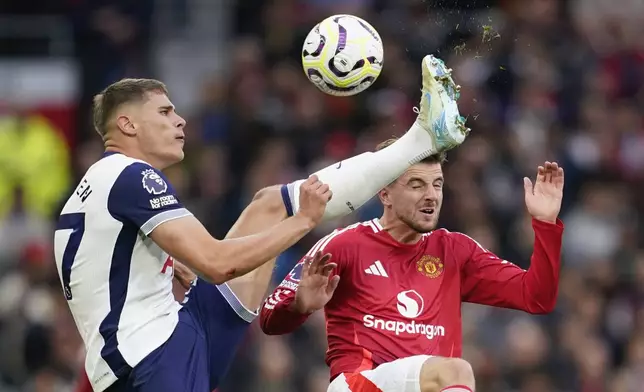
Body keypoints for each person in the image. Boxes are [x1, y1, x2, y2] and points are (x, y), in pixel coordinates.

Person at [58, 54, 469, 392]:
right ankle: (422, 139)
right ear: (127, 125)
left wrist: (165, 264)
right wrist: (303, 222)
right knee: (282, 215)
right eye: (165, 112)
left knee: (269, 204)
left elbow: (109, 268)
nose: (179, 121)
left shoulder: (96, 186)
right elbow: (217, 264)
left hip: (167, 334)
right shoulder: (130, 174)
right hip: (152, 358)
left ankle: (420, 139)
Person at [259, 139, 565, 392]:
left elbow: (536, 296)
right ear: (385, 193)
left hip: (426, 385)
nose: (431, 195)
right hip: (357, 383)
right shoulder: (344, 245)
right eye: (417, 185)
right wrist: (300, 306)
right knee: (456, 372)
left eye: (437, 185)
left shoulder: (454, 251)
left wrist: (546, 224)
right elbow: (269, 319)